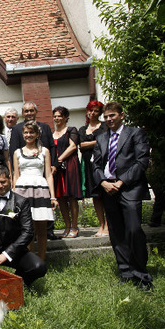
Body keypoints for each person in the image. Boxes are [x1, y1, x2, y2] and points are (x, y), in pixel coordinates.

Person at [92, 102, 152, 291]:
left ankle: (141, 274)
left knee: (133, 230)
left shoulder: (135, 134)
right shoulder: (100, 138)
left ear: (121, 115)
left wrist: (121, 182)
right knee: (116, 233)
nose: (109, 119)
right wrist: (102, 182)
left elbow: (142, 161)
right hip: (108, 189)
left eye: (112, 115)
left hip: (129, 188)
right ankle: (125, 272)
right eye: (106, 116)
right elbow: (95, 165)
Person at [0, 165, 47, 286]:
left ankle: (19, 283)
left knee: (39, 267)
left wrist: (6, 254)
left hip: (15, 251)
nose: (0, 186)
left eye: (3, 182)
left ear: (10, 179)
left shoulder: (21, 202)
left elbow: (28, 232)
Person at [9, 102, 58, 239]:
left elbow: (51, 147)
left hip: (41, 177)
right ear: (23, 113)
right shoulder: (17, 129)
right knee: (26, 224)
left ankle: (48, 232)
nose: (29, 113)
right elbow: (14, 151)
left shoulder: (46, 127)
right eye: (26, 111)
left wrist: (53, 164)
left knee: (41, 218)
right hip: (23, 180)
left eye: (31, 111)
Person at [12, 121, 57, 260]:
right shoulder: (17, 152)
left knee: (41, 228)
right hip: (22, 190)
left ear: (37, 134)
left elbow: (48, 175)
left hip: (40, 189)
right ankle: (32, 262)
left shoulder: (45, 151)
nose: (28, 135)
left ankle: (41, 261)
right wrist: (13, 196)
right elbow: (15, 175)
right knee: (27, 229)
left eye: (31, 132)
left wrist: (53, 197)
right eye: (26, 132)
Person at [78, 100, 109, 237]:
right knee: (95, 196)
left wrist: (88, 144)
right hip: (88, 165)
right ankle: (101, 224)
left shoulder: (104, 126)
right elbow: (81, 146)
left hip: (102, 163)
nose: (93, 113)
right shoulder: (82, 129)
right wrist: (96, 142)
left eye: (96, 110)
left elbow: (106, 142)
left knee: (106, 195)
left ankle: (108, 225)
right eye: (91, 110)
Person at [52, 106, 83, 238]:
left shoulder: (71, 130)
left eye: (59, 116)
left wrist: (60, 158)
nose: (57, 118)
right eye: (55, 116)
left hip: (69, 165)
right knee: (61, 197)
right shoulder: (52, 133)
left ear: (65, 117)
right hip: (57, 169)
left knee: (71, 196)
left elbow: (73, 146)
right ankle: (67, 226)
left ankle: (75, 227)